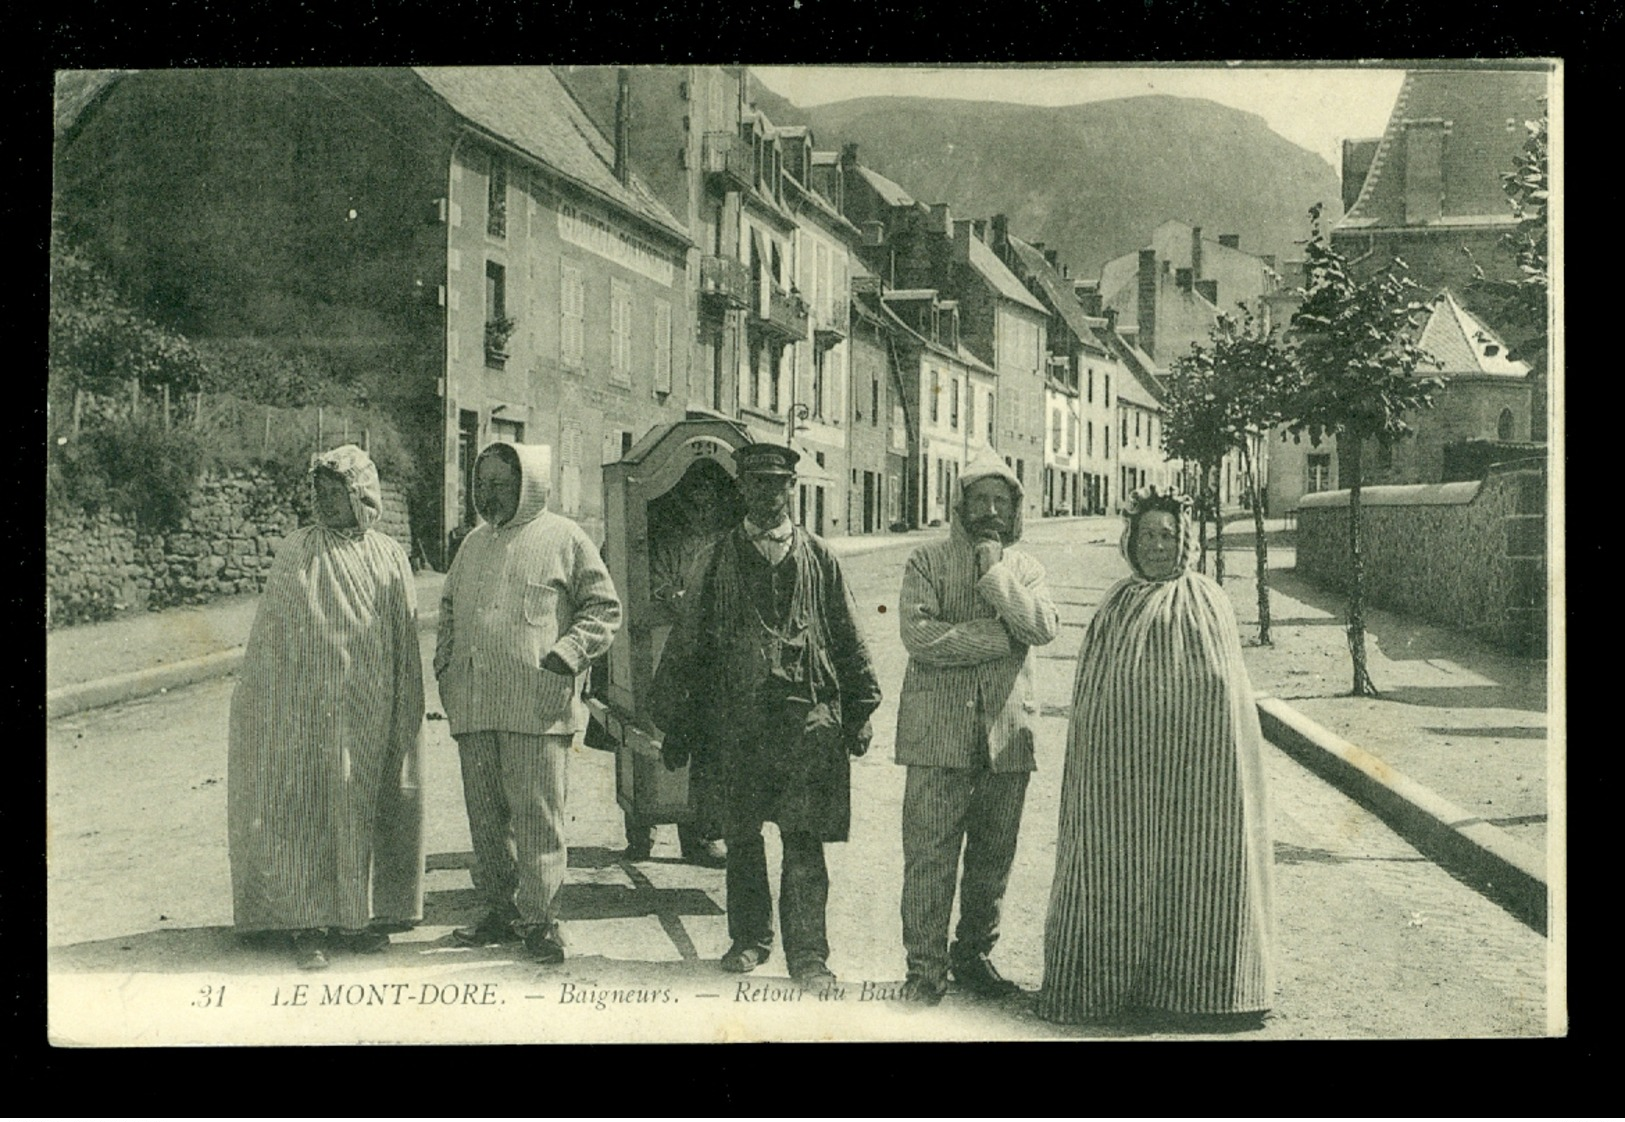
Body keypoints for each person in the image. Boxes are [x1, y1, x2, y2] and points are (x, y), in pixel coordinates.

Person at [651, 441, 882, 994]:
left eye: (775, 484)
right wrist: (679, 725)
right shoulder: (716, 556)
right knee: (743, 837)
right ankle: (750, 939)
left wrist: (860, 709)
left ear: (790, 490)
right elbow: (687, 645)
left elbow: (849, 634)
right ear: (742, 490)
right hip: (737, 724)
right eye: (754, 484)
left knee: (804, 840)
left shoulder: (819, 557)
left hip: (808, 724)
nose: (765, 495)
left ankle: (808, 955)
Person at [1038, 487, 1275, 1025]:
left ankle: (1198, 993)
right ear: (1131, 539)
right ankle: (1123, 985)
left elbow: (1224, 691)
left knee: (1195, 870)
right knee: (1119, 868)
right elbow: (1093, 695)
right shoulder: (1116, 604)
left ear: (1185, 540)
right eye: (1147, 535)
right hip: (1123, 773)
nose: (1157, 546)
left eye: (1168, 535)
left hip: (1197, 771)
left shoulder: (1207, 600)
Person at [228, 445, 425, 972]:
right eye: (318, 492)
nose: (324, 501)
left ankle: (351, 919)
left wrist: (405, 706)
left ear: (361, 494)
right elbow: (271, 638)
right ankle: (304, 922)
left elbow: (404, 640)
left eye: (334, 492)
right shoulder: (299, 550)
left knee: (357, 809)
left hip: (369, 708)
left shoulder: (390, 555)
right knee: (306, 808)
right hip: (305, 711)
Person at [434, 441, 622, 963]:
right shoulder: (472, 544)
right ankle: (499, 910)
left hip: (536, 707)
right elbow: (447, 612)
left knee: (538, 818)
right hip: (474, 706)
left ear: (528, 486)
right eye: (481, 484)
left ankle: (540, 921)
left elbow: (603, 608)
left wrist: (569, 653)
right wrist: (447, 672)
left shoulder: (565, 538)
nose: (487, 494)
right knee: (486, 819)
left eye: (500, 484)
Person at [894, 447, 1060, 1005]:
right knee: (929, 859)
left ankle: (973, 956)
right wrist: (998, 639)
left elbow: (1041, 627)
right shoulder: (925, 562)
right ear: (959, 506)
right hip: (937, 738)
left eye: (1001, 501)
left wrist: (994, 575)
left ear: (1014, 510)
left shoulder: (1027, 570)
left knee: (993, 859)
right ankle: (924, 968)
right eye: (979, 500)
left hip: (1006, 742)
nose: (990, 510)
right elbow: (920, 639)